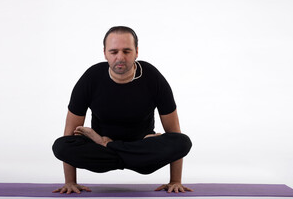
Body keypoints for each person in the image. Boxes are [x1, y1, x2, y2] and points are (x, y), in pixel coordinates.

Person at [52, 26, 193, 194]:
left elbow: (175, 135)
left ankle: (109, 144)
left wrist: (175, 181)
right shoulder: (91, 78)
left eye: (127, 51)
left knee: (183, 142)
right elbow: (69, 134)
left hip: (142, 153)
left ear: (136, 52)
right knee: (61, 146)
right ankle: (112, 148)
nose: (120, 57)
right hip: (102, 156)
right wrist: (70, 182)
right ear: (105, 53)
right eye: (113, 52)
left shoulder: (153, 77)